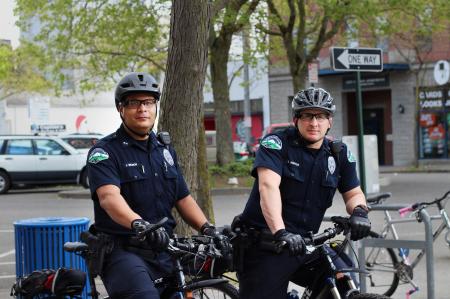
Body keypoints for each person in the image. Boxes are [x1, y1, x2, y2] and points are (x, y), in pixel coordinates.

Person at [86, 72, 223, 299]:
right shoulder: (105, 152)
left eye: (148, 102)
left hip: (163, 248)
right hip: (123, 251)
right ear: (121, 109)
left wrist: (208, 228)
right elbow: (109, 198)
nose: (142, 109)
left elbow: (183, 198)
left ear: (155, 106)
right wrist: (137, 223)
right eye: (134, 103)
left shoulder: (165, 150)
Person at [236, 87, 371, 299]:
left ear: (330, 121)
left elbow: (354, 193)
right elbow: (268, 188)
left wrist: (360, 212)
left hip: (306, 245)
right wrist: (280, 232)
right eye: (307, 115)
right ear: (296, 119)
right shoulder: (276, 144)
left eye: (320, 116)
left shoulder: (339, 154)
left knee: (345, 278)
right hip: (267, 246)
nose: (314, 123)